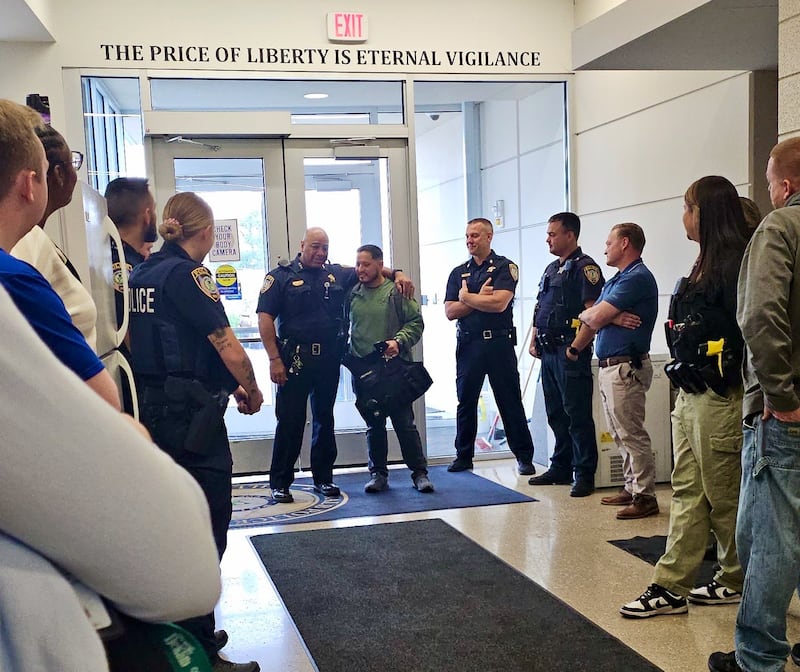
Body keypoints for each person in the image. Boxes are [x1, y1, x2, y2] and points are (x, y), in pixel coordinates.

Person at [128, 192, 264, 672]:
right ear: (204, 232)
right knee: (208, 528)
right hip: (191, 420)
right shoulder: (189, 276)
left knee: (175, 527)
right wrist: (252, 388)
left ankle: (191, 630)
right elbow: (227, 346)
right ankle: (201, 649)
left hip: (153, 415)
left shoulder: (141, 272)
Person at [622, 176, 749, 620]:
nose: (683, 216)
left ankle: (740, 578)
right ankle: (671, 585)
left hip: (720, 398)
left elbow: (749, 334)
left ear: (706, 213)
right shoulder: (703, 264)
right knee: (688, 493)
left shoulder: (738, 265)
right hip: (691, 395)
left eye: (687, 207)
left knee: (725, 497)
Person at [709, 139, 800, 671]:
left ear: (784, 186)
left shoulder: (780, 228)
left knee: (769, 538)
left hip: (783, 416)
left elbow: (760, 317)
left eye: (769, 184)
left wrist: (782, 396)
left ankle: (758, 659)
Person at [257, 227, 412, 504]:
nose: (320, 253)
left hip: (328, 359)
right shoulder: (279, 277)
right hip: (294, 360)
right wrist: (273, 359)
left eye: (325, 248)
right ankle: (280, 482)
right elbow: (265, 319)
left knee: (324, 420)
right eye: (315, 247)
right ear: (302, 245)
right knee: (290, 421)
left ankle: (323, 479)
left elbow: (373, 269)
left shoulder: (337, 274)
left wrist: (398, 273)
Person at [0, 99, 120, 410]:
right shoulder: (17, 273)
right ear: (34, 181)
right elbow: (104, 407)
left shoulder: (32, 242)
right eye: (72, 163)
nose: (75, 175)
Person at [577, 222, 659, 518]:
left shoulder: (636, 278)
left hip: (627, 366)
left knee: (631, 432)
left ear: (625, 243)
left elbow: (593, 315)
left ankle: (645, 496)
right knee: (618, 432)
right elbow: (588, 315)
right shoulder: (616, 280)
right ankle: (631, 486)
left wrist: (603, 317)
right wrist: (612, 318)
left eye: (609, 243)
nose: (604, 249)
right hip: (611, 366)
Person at [443, 217, 536, 476]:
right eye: (467, 236)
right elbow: (451, 312)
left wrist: (467, 297)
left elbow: (499, 304)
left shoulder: (505, 267)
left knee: (509, 401)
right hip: (469, 343)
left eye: (475, 236)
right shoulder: (458, 272)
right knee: (466, 401)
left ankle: (524, 457)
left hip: (498, 343)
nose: (470, 241)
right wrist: (479, 298)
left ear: (489, 237)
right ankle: (463, 456)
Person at [347, 244, 434, 493]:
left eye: (366, 264)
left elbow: (416, 323)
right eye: (358, 264)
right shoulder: (353, 294)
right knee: (373, 425)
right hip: (363, 371)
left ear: (379, 265)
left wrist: (399, 341)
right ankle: (378, 475)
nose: (360, 269)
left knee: (404, 423)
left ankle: (419, 473)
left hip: (393, 369)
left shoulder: (397, 292)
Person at [528, 212, 603, 497]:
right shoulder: (550, 269)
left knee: (577, 415)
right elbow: (540, 307)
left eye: (552, 233)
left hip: (569, 351)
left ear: (570, 235)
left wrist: (575, 349)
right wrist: (534, 339)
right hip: (548, 351)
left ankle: (584, 473)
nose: (548, 238)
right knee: (555, 413)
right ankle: (561, 465)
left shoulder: (585, 269)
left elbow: (593, 313)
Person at [11, 109, 98, 350]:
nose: (74, 173)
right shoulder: (23, 243)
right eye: (73, 163)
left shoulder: (37, 238)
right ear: (57, 173)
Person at [105, 177, 158, 329]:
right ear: (147, 216)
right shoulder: (127, 267)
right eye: (153, 210)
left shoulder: (105, 256)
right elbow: (130, 332)